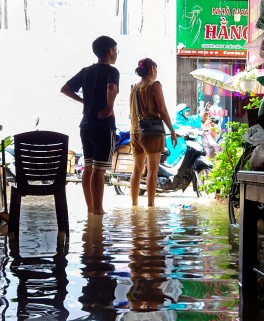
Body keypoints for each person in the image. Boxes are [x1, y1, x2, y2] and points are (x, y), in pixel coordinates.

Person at [60, 36, 119, 215]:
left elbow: (65, 88)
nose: (116, 53)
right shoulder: (112, 71)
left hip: (85, 125)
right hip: (103, 124)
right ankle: (99, 209)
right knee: (99, 170)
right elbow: (111, 88)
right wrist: (109, 107)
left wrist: (85, 102)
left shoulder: (86, 71)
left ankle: (90, 208)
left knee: (88, 166)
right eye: (116, 50)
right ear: (110, 51)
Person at [128, 58, 177, 206]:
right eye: (156, 69)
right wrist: (172, 131)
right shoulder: (155, 85)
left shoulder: (134, 88)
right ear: (152, 69)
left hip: (135, 132)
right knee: (152, 171)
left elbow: (131, 111)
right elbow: (162, 110)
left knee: (136, 170)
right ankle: (150, 206)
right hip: (152, 133)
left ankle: (134, 204)